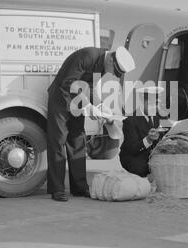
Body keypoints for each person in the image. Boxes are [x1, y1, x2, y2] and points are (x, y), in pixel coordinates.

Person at [47, 46, 135, 201]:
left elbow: (91, 87)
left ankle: (79, 188)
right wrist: (88, 105)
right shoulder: (88, 56)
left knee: (78, 140)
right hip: (60, 98)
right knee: (58, 141)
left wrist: (100, 106)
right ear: (110, 59)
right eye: (113, 71)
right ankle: (57, 189)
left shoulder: (103, 64)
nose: (111, 74)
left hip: (77, 101)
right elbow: (69, 83)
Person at [119, 86, 164, 177]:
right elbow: (132, 149)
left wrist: (181, 131)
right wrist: (148, 139)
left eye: (156, 104)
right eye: (150, 103)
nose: (154, 107)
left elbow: (167, 131)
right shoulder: (130, 120)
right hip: (133, 156)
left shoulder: (157, 116)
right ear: (142, 102)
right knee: (142, 169)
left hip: (151, 155)